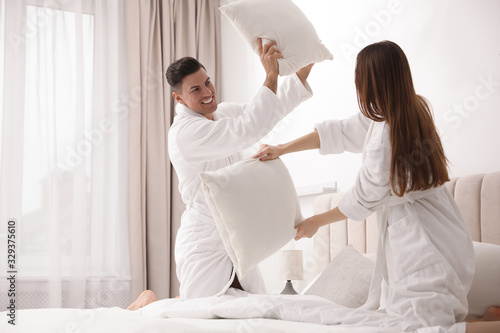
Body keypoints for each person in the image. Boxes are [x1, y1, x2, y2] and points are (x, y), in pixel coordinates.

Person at [252, 40, 500, 333]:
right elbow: (341, 132)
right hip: (442, 234)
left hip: (422, 248)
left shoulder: (384, 137)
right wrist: (282, 148)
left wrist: (315, 221)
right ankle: (483, 321)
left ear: (368, 82)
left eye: (359, 77)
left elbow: (362, 198)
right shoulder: (410, 110)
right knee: (420, 321)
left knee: (419, 329)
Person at [128, 39, 313, 306]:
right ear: (178, 97)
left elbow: (270, 109)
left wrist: (309, 60)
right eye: (196, 89)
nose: (207, 92)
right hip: (205, 240)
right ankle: (148, 303)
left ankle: (158, 302)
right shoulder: (185, 134)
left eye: (208, 82)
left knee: (252, 310)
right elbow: (250, 128)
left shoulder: (223, 113)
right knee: (201, 316)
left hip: (238, 235)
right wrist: (270, 74)